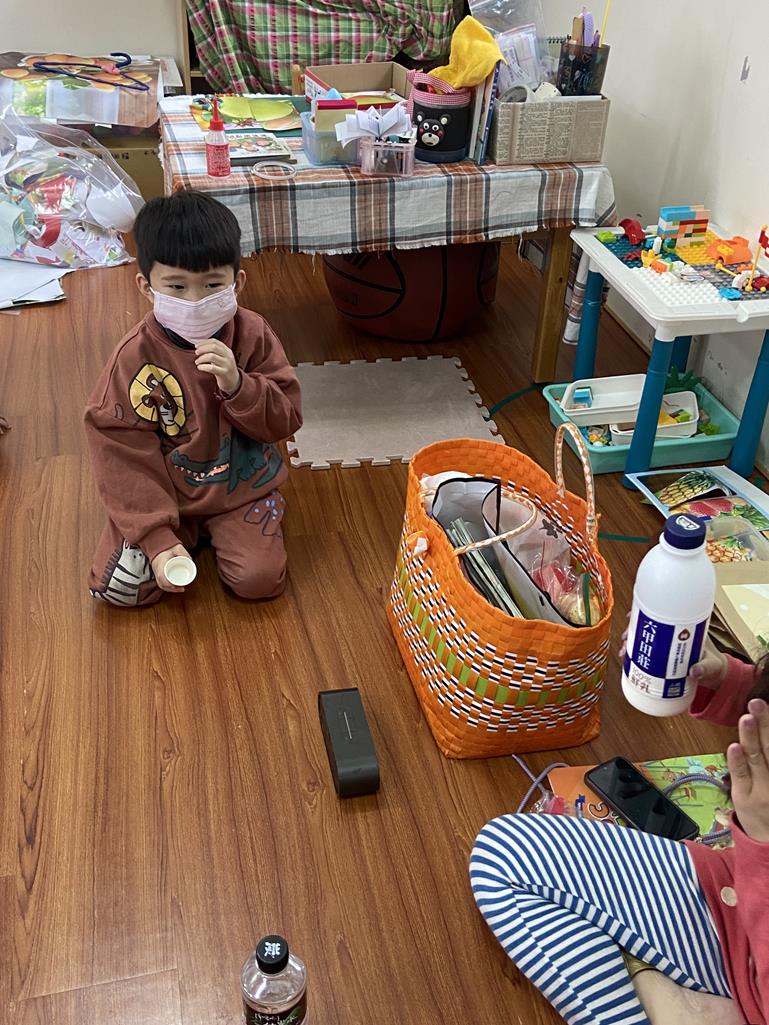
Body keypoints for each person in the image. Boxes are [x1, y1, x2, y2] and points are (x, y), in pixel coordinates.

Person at [470, 645, 769, 1025]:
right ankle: (659, 988)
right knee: (508, 851)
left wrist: (761, 839)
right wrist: (732, 681)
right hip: (732, 890)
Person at [85, 191, 302, 607]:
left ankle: (251, 511)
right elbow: (119, 450)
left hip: (239, 488)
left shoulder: (253, 334)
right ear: (147, 287)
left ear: (237, 283)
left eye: (212, 285)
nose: (195, 301)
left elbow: (286, 418)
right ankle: (157, 527)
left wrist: (239, 385)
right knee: (123, 591)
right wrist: (156, 536)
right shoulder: (134, 358)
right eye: (177, 286)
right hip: (168, 494)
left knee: (258, 581)